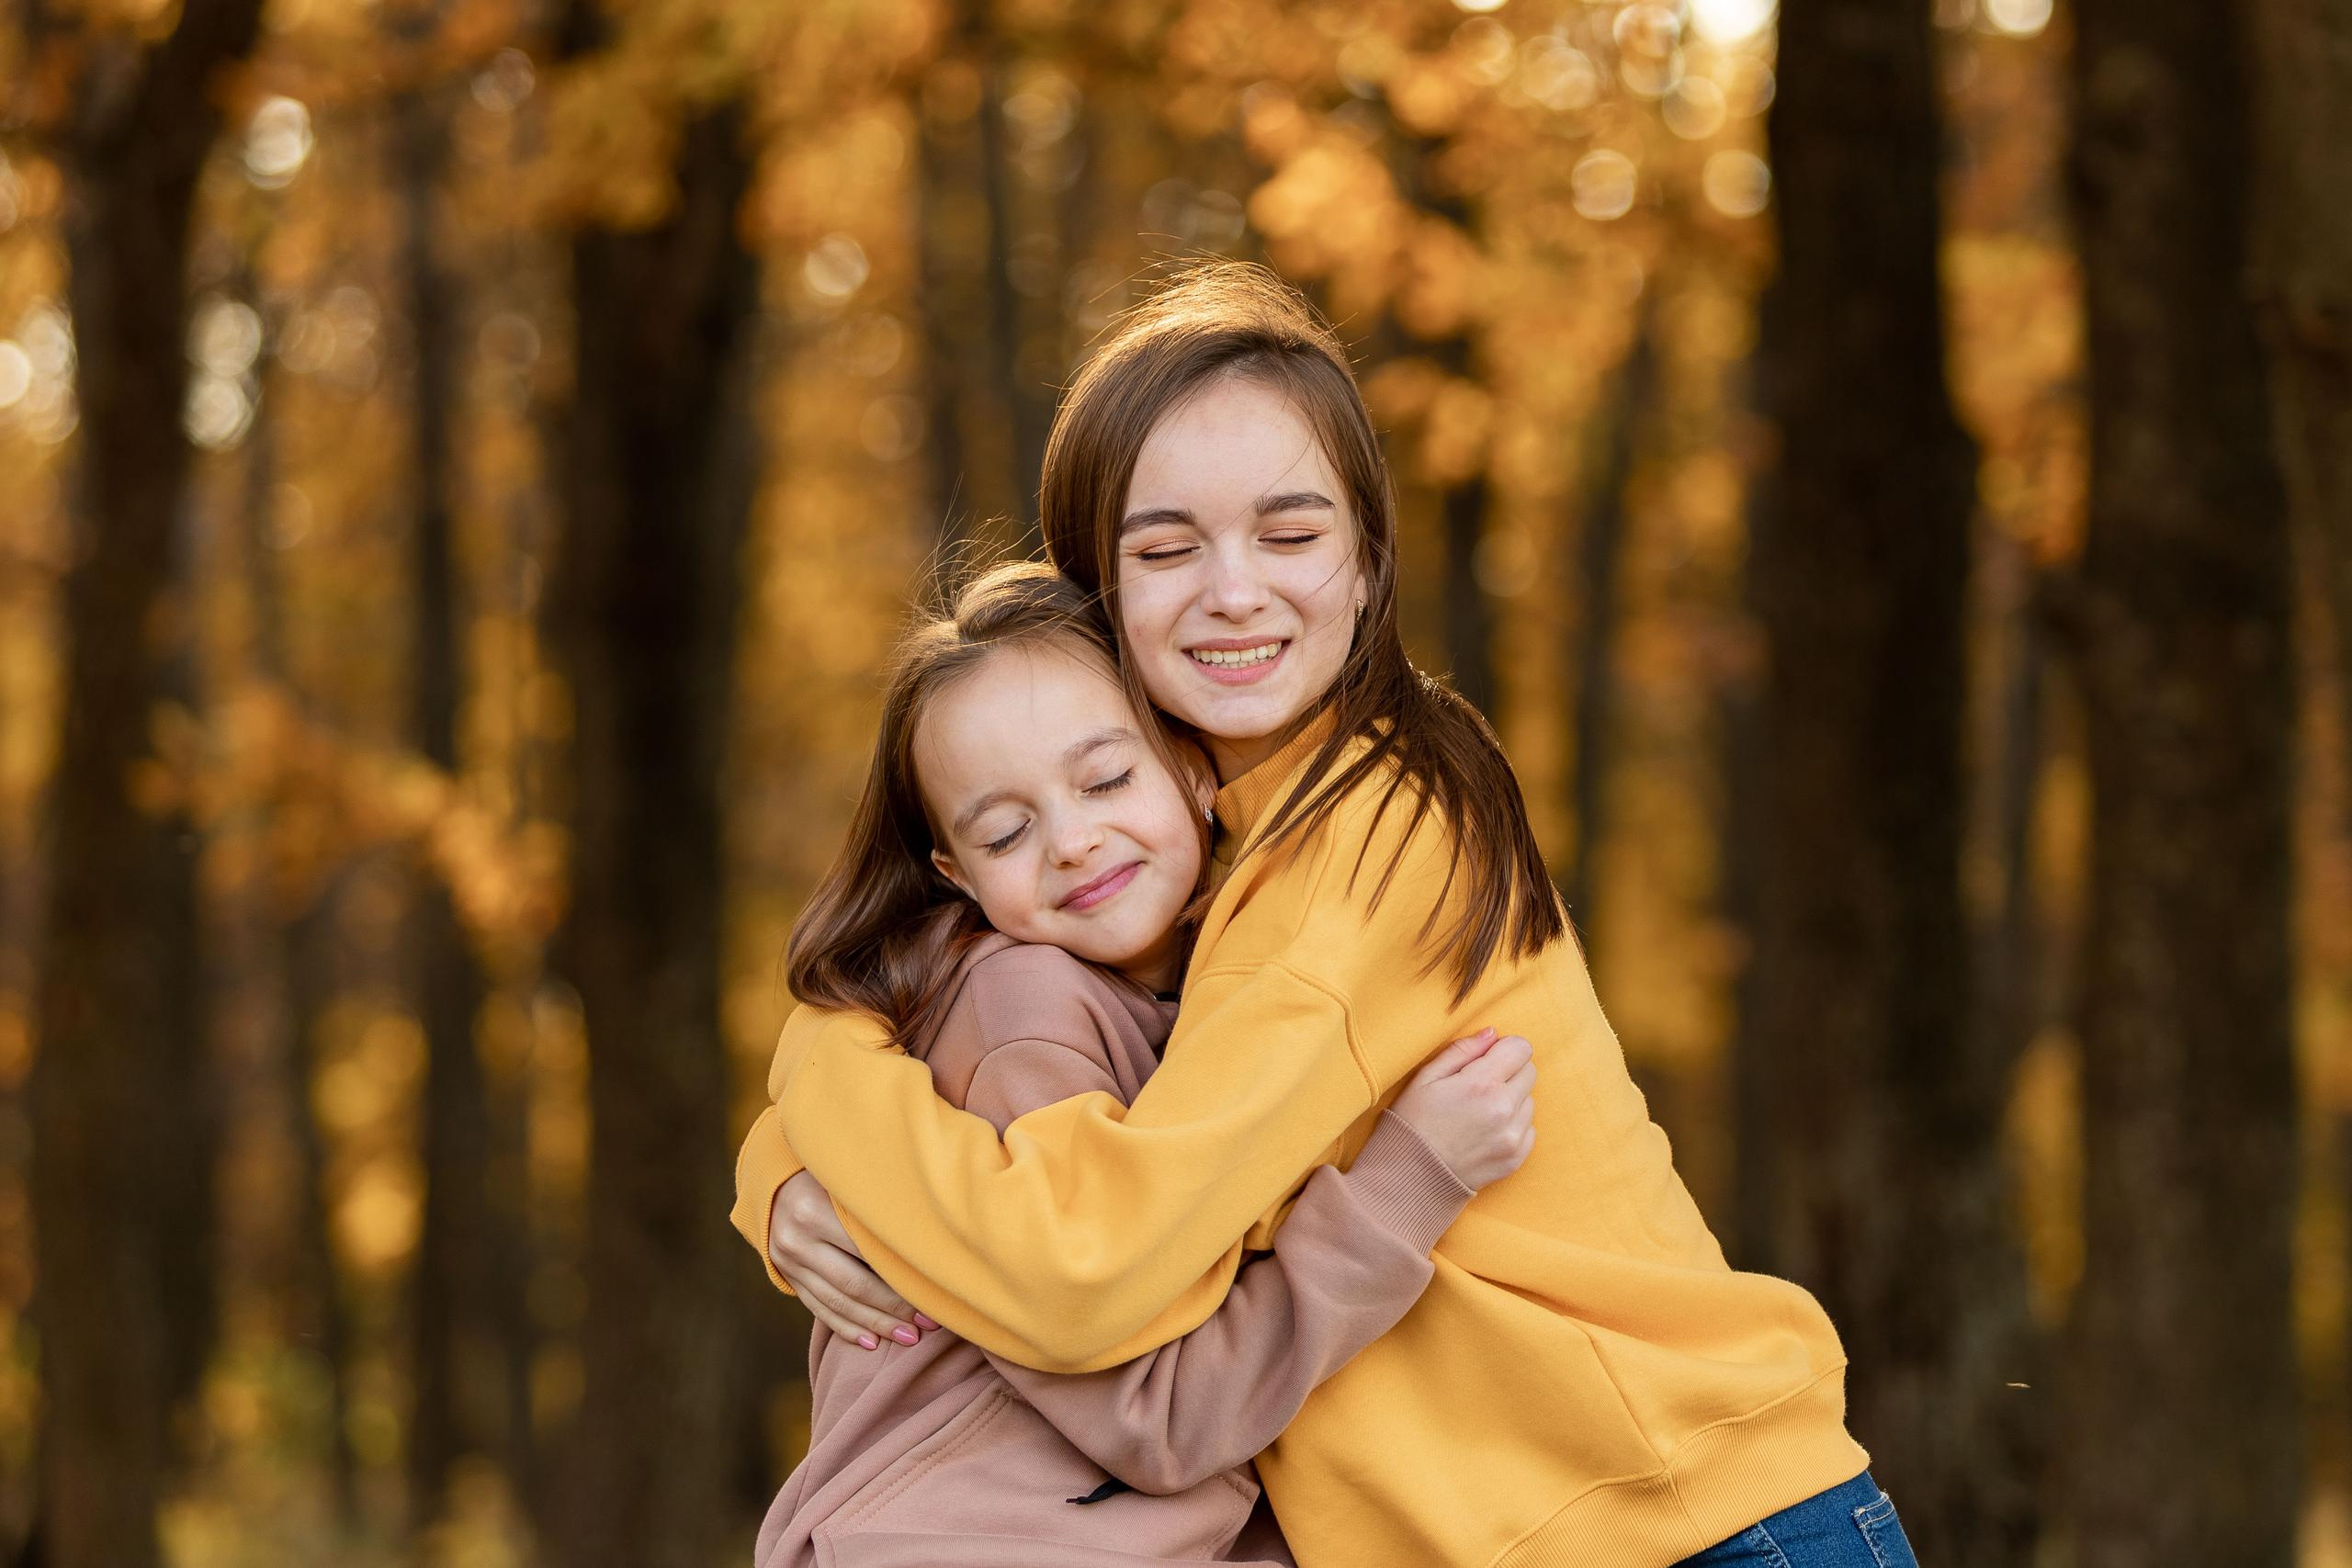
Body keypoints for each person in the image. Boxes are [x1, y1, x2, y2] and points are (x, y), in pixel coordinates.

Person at [733, 263, 1920, 1568]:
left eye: (1291, 535)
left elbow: (1091, 1271)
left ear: (1366, 566)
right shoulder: (1197, 863)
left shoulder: (1365, 839)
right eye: (1167, 547)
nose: (1234, 589)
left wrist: (814, 1096)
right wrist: (783, 1160)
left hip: (1684, 1519)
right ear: (1100, 605)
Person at [755, 560, 1535, 1568]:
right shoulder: (1019, 1011)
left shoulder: (1212, 994)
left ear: (1191, 768)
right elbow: (1160, 1414)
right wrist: (1409, 1177)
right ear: (956, 874)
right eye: (1005, 830)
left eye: (1107, 779)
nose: (1074, 841)